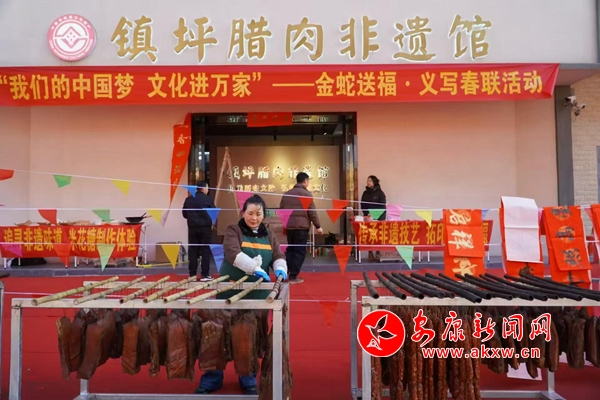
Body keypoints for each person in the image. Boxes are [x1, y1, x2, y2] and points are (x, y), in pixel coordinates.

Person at [195, 194, 288, 395]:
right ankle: (212, 378)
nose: (254, 218)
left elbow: (278, 255)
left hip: (257, 294)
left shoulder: (269, 235)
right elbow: (232, 252)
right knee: (218, 334)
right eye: (250, 213)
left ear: (263, 214)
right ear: (243, 213)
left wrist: (280, 267)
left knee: (249, 336)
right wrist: (254, 268)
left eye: (258, 214)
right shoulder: (234, 230)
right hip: (230, 290)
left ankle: (248, 377)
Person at [279, 172, 323, 284]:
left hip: (290, 227)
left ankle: (285, 271)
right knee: (299, 251)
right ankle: (293, 276)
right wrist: (318, 226)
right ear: (305, 181)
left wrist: (287, 223)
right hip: (301, 227)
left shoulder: (287, 194)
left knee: (290, 250)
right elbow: (312, 212)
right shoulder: (306, 194)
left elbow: (281, 210)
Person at [182, 181, 216, 281]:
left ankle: (192, 275)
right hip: (205, 228)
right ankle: (205, 275)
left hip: (192, 228)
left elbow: (184, 214)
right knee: (205, 250)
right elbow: (214, 213)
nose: (208, 190)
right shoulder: (208, 199)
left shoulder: (188, 199)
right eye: (207, 188)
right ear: (204, 188)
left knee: (193, 250)